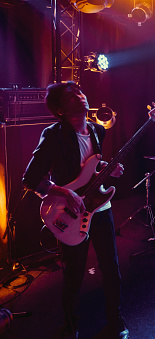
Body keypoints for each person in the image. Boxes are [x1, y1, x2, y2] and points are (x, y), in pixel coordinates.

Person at [22, 81, 128, 339]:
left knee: (111, 267)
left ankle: (116, 320)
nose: (80, 96)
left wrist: (108, 168)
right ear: (60, 109)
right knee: (74, 274)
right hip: (69, 213)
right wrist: (63, 192)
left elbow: (91, 165)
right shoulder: (53, 134)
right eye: (72, 95)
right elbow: (30, 178)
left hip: (100, 207)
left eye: (80, 91)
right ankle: (71, 326)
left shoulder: (96, 130)